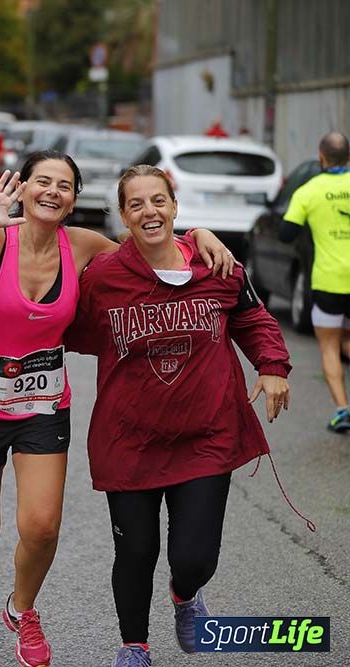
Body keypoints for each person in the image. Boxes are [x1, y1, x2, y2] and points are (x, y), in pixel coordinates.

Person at [0, 152, 234, 667]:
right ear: (24, 188)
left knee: (41, 527)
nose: (52, 192)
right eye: (43, 182)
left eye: (64, 185)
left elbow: (151, 244)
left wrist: (201, 236)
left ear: (74, 199)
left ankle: (23, 609)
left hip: (42, 406)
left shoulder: (82, 246)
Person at [65, 164, 296, 667]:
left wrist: (273, 366)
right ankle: (134, 647)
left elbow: (251, 315)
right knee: (135, 552)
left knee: (194, 557)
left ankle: (184, 595)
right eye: (136, 204)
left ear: (174, 205)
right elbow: (69, 328)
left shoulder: (218, 265)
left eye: (158, 201)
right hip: (129, 440)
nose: (149, 211)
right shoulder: (104, 279)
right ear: (123, 216)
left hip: (207, 436)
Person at [279, 132, 350, 432]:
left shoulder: (309, 191)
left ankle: (343, 410)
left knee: (331, 347)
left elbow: (285, 234)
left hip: (329, 281)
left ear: (321, 158)